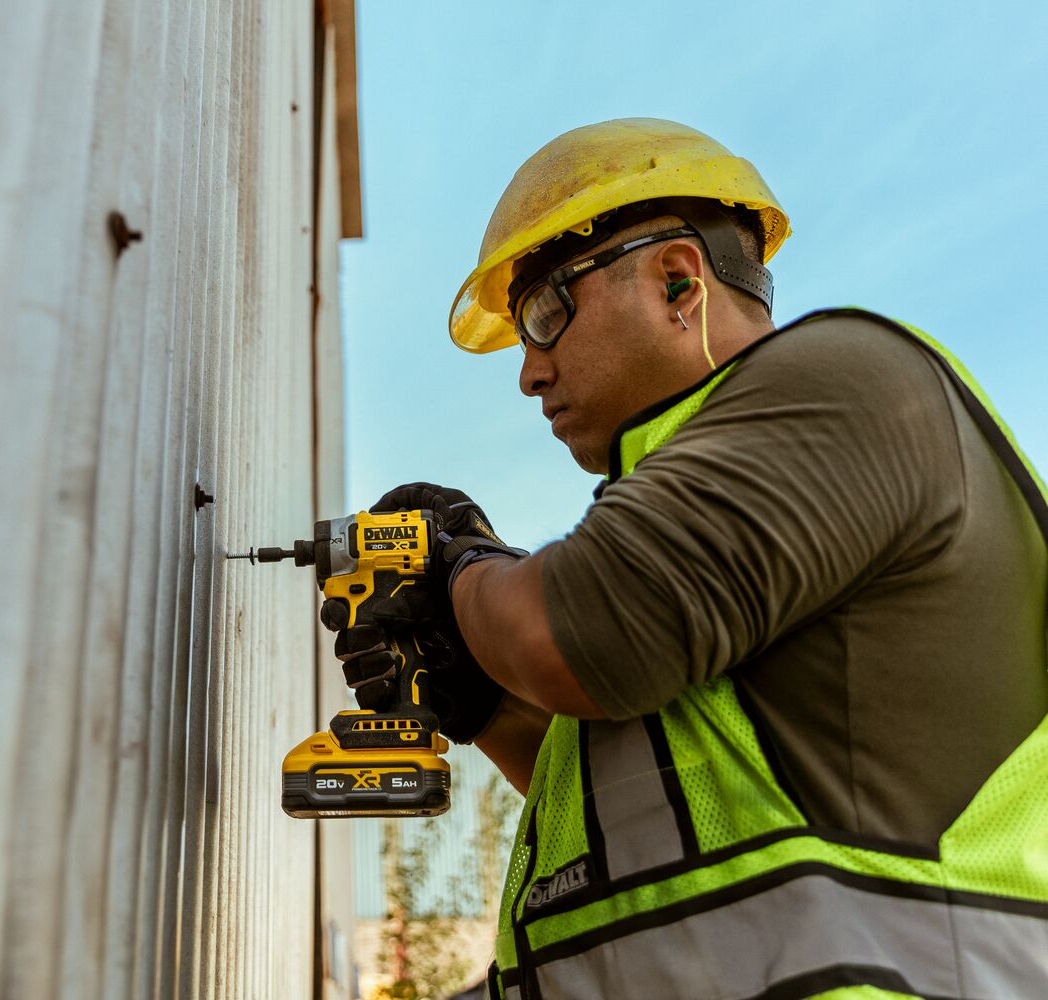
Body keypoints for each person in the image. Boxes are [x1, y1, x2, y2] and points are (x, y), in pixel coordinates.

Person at [325, 119, 1048, 999]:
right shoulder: (707, 539)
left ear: (677, 280)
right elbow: (661, 825)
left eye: (547, 313)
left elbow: (572, 638)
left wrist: (456, 567)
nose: (529, 372)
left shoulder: (850, 383)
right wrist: (487, 705)